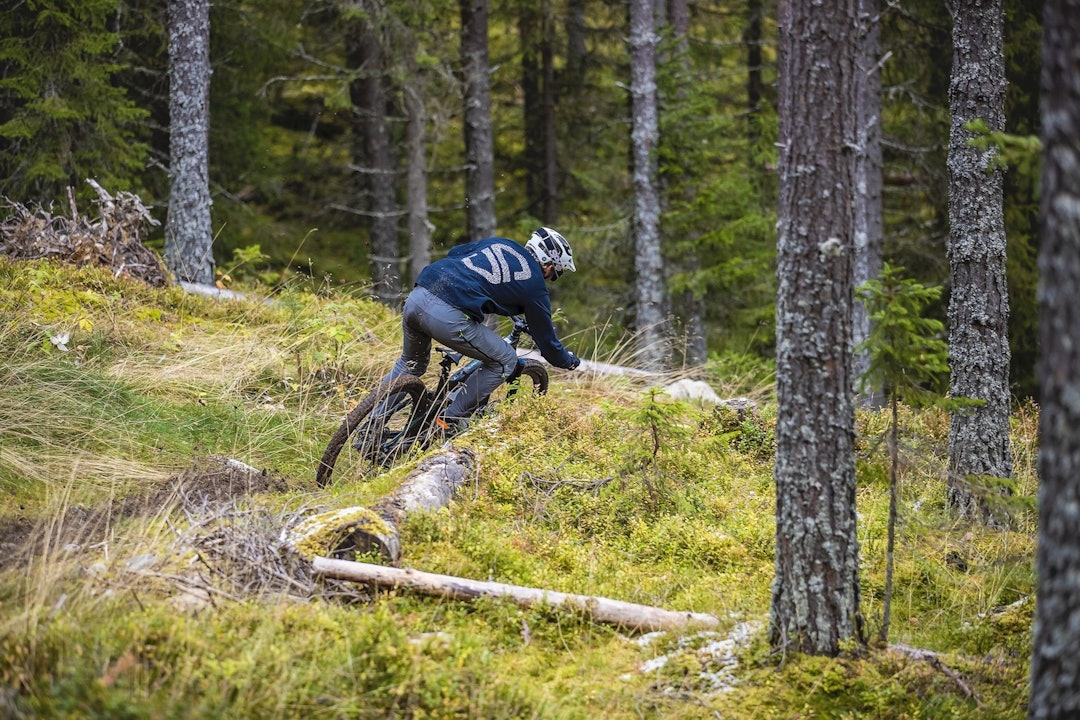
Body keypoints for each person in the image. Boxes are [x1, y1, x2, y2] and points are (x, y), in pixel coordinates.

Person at [385, 226, 581, 433]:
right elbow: (548, 344)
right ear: (549, 266)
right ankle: (447, 420)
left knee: (410, 364)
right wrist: (568, 361)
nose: (550, 279)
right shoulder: (535, 287)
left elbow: (455, 253)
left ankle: (370, 423)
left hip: (418, 296)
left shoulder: (501, 243)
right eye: (555, 275)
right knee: (505, 360)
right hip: (448, 317)